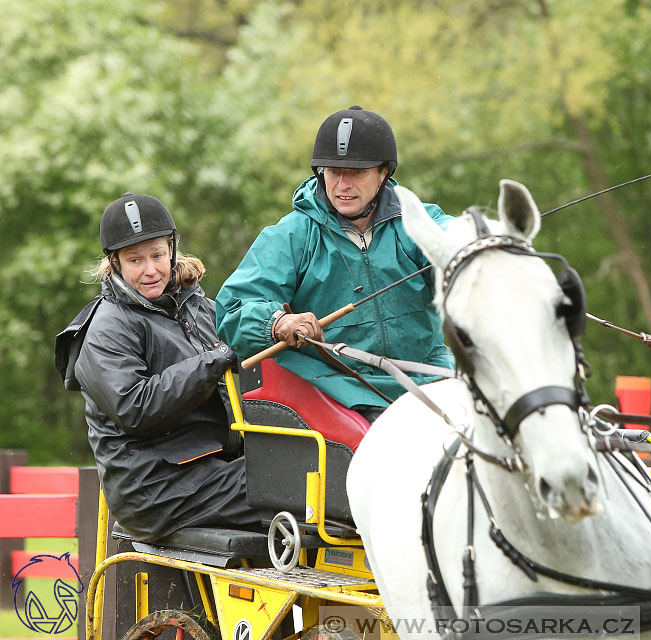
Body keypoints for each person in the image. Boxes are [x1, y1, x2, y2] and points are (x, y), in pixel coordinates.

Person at [55, 193, 273, 541]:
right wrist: (215, 360)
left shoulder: (197, 306)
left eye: (157, 255)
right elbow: (135, 407)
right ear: (115, 263)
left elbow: (245, 364)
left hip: (213, 463)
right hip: (154, 487)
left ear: (172, 250)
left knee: (310, 465)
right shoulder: (106, 328)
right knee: (291, 484)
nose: (151, 269)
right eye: (135, 260)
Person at [215, 106, 454, 423]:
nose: (342, 185)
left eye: (356, 173)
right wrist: (276, 323)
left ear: (383, 173)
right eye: (333, 172)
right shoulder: (291, 235)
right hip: (341, 386)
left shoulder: (418, 222)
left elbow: (457, 242)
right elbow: (234, 306)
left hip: (427, 370)